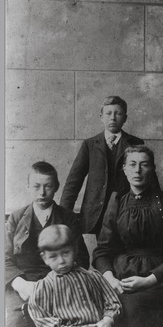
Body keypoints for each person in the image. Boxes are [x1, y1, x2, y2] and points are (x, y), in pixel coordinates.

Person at [93, 145, 163, 327]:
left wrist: (147, 281)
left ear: (152, 168)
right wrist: (111, 280)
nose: (138, 170)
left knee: (133, 307)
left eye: (144, 165)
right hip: (120, 281)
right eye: (133, 164)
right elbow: (102, 251)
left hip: (159, 281)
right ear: (125, 169)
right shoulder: (117, 201)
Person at [5, 161, 90, 327]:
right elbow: (3, 258)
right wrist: (21, 285)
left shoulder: (68, 218)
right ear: (28, 186)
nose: (42, 193)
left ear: (56, 187)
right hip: (23, 285)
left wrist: (57, 283)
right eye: (36, 187)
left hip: (61, 284)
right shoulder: (16, 218)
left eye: (48, 186)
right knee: (15, 326)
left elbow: (81, 259)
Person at [60, 96, 144, 237]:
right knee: (100, 255)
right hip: (96, 215)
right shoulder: (90, 145)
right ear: (101, 117)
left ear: (125, 118)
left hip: (126, 211)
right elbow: (73, 181)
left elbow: (147, 179)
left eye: (118, 113)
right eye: (108, 113)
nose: (113, 118)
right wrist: (62, 214)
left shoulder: (135, 143)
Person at [28, 224, 121, 327]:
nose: (61, 261)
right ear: (44, 258)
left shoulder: (92, 277)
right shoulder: (44, 287)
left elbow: (112, 301)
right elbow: (42, 322)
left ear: (75, 250)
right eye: (53, 257)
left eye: (66, 253)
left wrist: (107, 320)